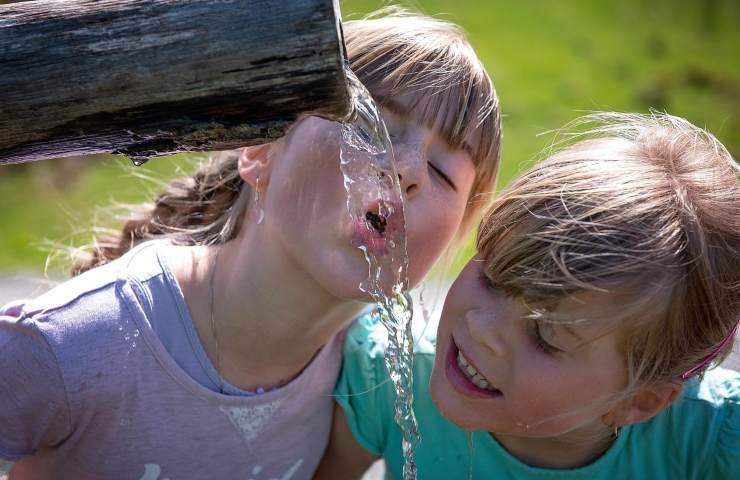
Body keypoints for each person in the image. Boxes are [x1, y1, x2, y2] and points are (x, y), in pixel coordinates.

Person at [0, 11, 501, 480]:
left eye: (442, 172)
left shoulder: (365, 382)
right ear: (261, 150)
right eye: (374, 129)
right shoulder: (79, 340)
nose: (407, 171)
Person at [318, 112, 740, 479]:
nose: (482, 329)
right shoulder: (391, 383)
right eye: (492, 278)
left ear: (639, 401)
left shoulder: (709, 443)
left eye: (545, 337)